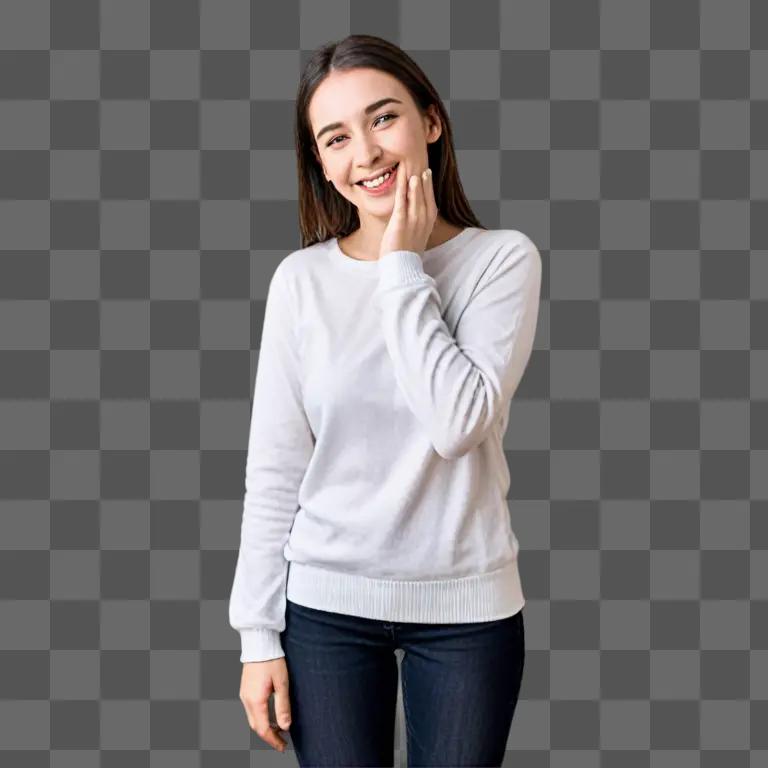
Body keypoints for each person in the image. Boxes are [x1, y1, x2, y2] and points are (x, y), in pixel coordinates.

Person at [230, 33, 542, 765]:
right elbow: (275, 470)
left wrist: (400, 264)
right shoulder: (301, 282)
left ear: (430, 121)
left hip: (469, 613)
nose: (364, 154)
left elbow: (456, 423)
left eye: (382, 119)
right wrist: (256, 638)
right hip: (325, 612)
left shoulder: (501, 262)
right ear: (321, 164)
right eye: (335, 137)